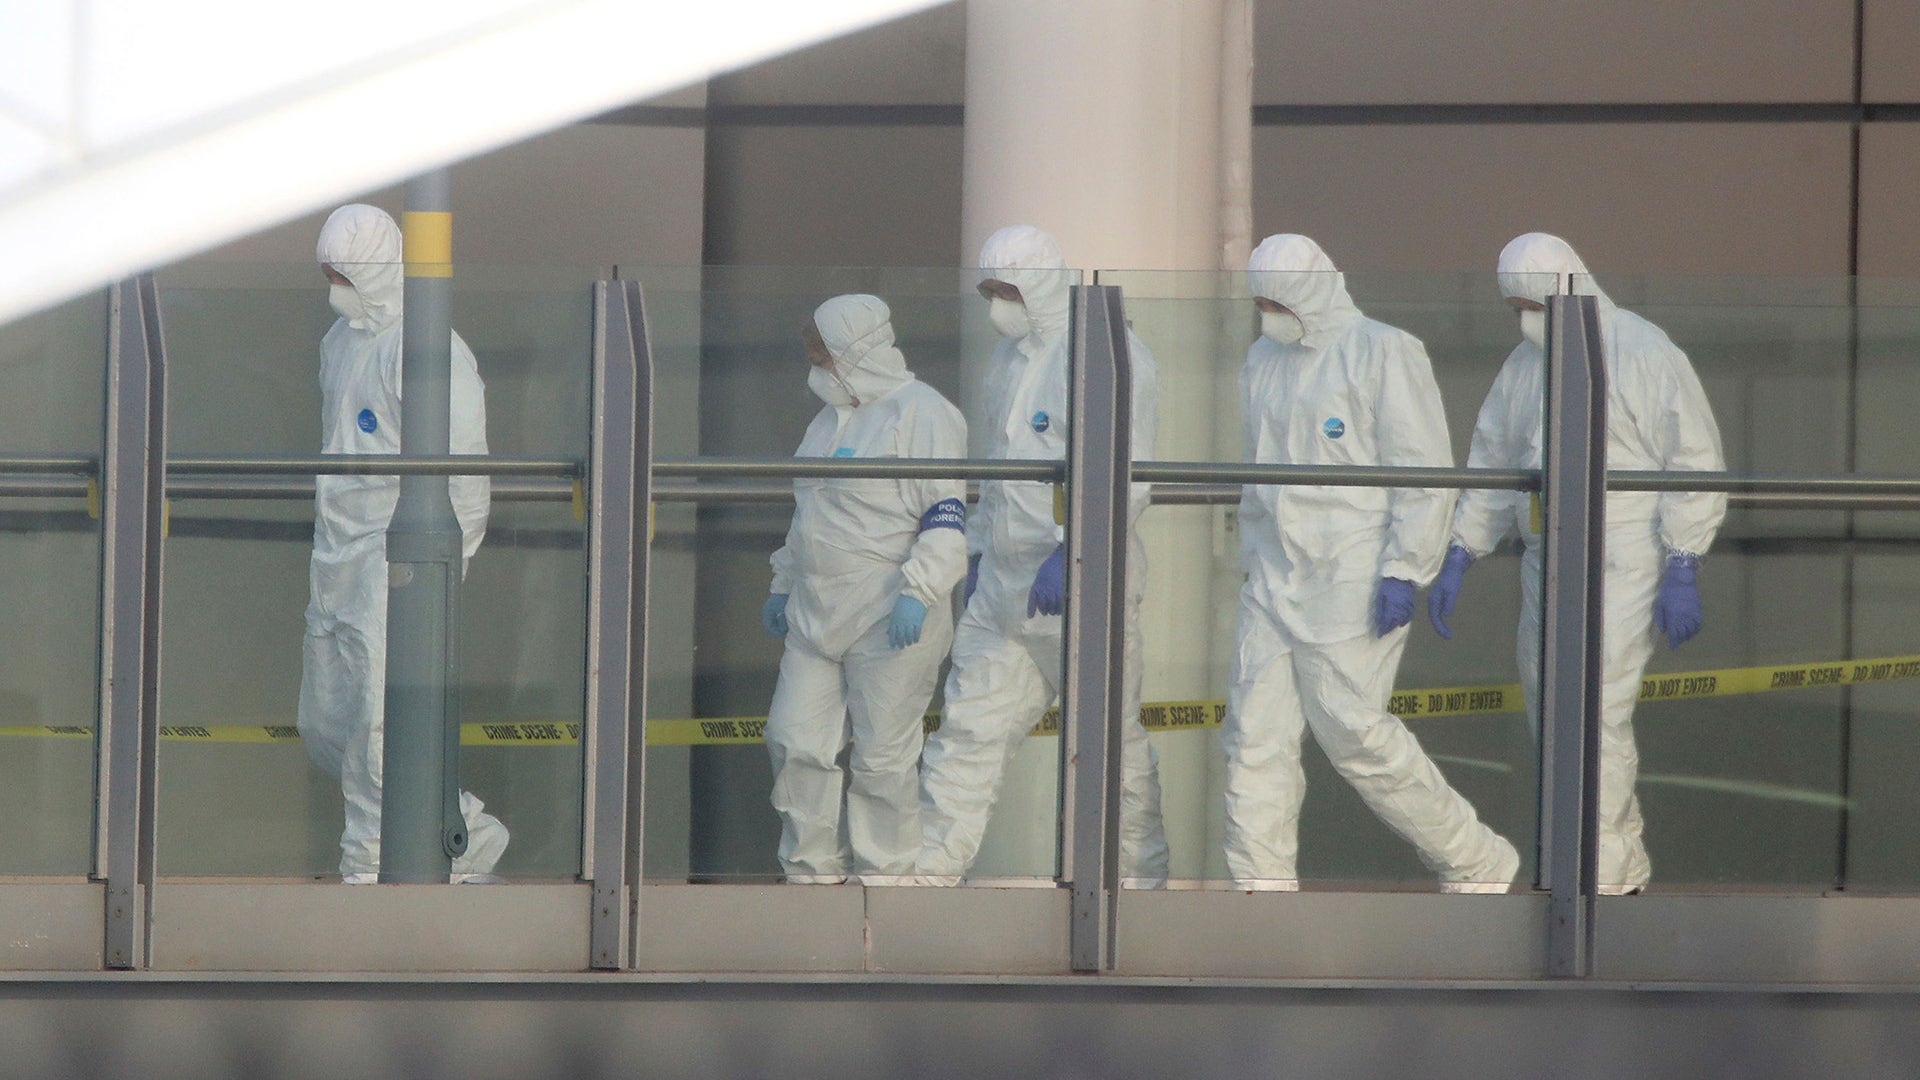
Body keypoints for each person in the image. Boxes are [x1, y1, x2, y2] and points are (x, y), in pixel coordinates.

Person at [1429, 231, 1726, 894]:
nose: (1521, 320)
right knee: (1553, 708)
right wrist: (1461, 549)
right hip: (1547, 557)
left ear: (1562, 292)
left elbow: (1695, 459)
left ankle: (1600, 877)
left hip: (1622, 556)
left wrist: (1682, 560)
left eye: (1528, 304)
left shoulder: (1645, 351)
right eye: (1514, 309)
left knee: (1596, 710)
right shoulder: (1524, 367)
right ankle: (1609, 862)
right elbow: (1494, 461)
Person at [1224, 233, 1520, 892]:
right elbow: (1254, 471)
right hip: (1273, 573)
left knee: (1355, 734)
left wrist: (1403, 568)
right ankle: (1259, 891)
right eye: (1261, 300)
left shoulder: (1383, 351)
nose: (1268, 312)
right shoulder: (1262, 359)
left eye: (1278, 299)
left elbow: (1422, 468)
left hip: (1351, 570)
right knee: (1252, 735)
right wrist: (1251, 553)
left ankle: (1476, 858)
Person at [916, 224, 1170, 886]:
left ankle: (1137, 895)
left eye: (1007, 290)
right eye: (989, 290)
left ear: (1039, 284)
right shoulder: (1008, 358)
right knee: (965, 738)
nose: (997, 303)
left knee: (1111, 750)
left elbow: (1129, 476)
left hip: (1080, 589)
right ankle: (921, 883)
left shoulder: (1109, 355)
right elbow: (996, 469)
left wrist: (1073, 552)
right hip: (1003, 590)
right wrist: (976, 552)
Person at [298, 203, 508, 883]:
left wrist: (443, 572)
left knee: (377, 727)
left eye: (345, 273)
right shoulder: (340, 342)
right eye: (329, 273)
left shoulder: (428, 350)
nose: (335, 286)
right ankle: (463, 832)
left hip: (398, 560)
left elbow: (465, 472)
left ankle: (369, 865)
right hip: (336, 554)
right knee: (327, 722)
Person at [760, 294, 969, 885]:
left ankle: (886, 882)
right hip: (815, 614)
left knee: (883, 760)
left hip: (891, 615)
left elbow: (944, 514)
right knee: (793, 740)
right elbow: (810, 514)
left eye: (822, 354)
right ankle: (811, 872)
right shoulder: (827, 420)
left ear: (854, 351)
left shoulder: (922, 413)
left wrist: (919, 593)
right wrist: (783, 582)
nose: (816, 366)